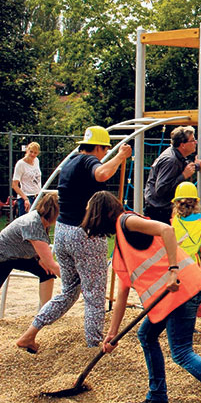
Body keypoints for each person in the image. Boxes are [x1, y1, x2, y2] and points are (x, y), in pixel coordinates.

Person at [91, 191, 201, 403]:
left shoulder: (127, 221)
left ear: (104, 214)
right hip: (174, 295)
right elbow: (123, 291)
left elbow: (167, 229)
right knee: (146, 335)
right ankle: (156, 399)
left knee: (182, 352)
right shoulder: (122, 242)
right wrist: (112, 334)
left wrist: (173, 270)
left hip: (182, 288)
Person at [17, 126, 131, 351]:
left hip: (63, 232)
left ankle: (30, 334)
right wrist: (120, 156)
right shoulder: (89, 162)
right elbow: (102, 174)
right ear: (98, 147)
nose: (103, 154)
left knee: (69, 291)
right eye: (104, 149)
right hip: (85, 235)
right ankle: (93, 346)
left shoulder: (70, 162)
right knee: (94, 294)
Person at [2, 192, 60, 336]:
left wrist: (40, 259)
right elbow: (51, 263)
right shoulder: (33, 224)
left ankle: (45, 313)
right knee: (50, 267)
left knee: (47, 272)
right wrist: (76, 280)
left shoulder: (41, 221)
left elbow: (42, 255)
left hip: (19, 255)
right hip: (3, 256)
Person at [144, 126, 201, 224]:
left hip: (160, 208)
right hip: (158, 211)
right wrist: (183, 176)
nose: (195, 142)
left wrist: (196, 165)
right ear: (182, 145)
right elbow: (161, 189)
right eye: (192, 140)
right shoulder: (171, 160)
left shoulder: (177, 155)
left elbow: (186, 166)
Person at [171, 182, 201, 266]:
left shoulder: (174, 220)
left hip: (176, 261)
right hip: (192, 262)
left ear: (177, 203)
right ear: (195, 202)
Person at [12, 141, 41, 218]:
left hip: (37, 196)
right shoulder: (20, 164)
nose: (32, 154)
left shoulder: (36, 161)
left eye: (35, 153)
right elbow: (14, 185)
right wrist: (25, 199)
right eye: (31, 151)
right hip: (26, 197)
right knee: (26, 224)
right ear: (27, 150)